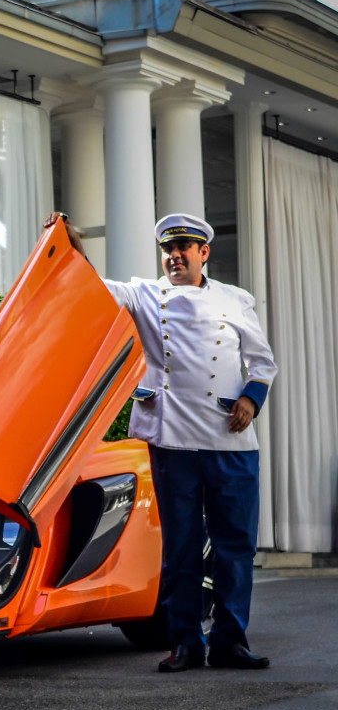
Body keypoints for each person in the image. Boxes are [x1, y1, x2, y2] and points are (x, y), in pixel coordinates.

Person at [44, 211, 277, 673]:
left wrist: (251, 398)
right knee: (182, 547)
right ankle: (186, 643)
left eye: (183, 249)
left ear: (203, 253)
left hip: (229, 439)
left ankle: (230, 641)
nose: (173, 256)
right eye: (168, 250)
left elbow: (262, 362)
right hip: (172, 438)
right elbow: (91, 286)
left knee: (235, 547)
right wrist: (67, 242)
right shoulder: (145, 294)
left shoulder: (234, 300)